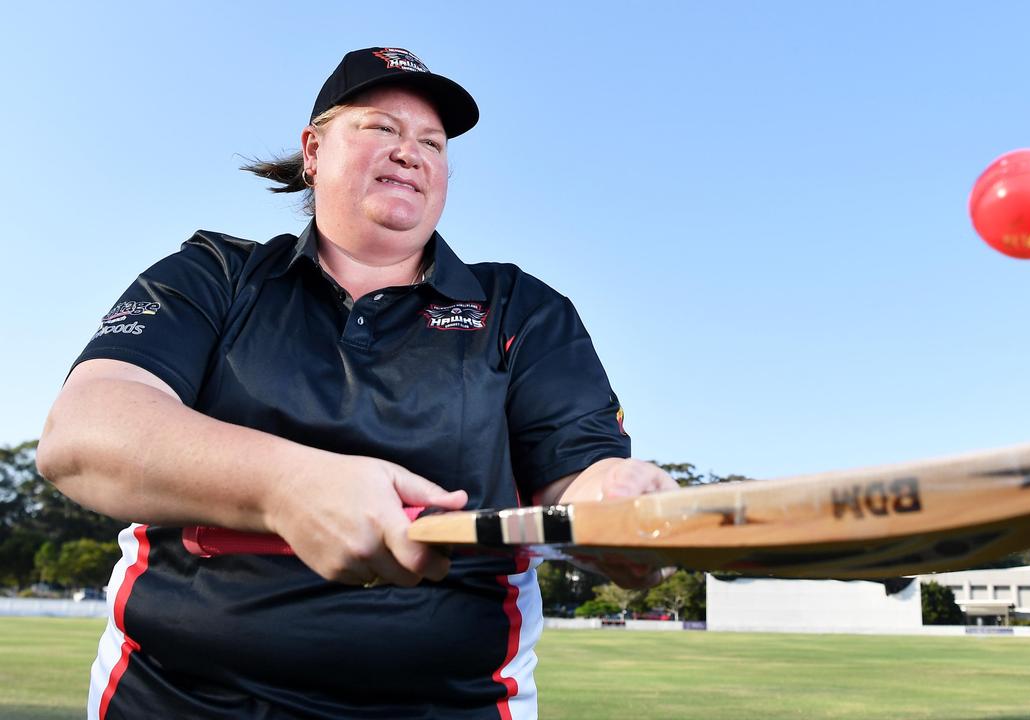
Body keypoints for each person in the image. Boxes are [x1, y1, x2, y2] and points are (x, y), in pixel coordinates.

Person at [37, 46, 676, 719]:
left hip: (449, 704)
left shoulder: (523, 309)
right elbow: (83, 433)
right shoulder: (213, 275)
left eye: (432, 142)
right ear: (312, 151)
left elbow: (577, 474)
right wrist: (287, 484)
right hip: (178, 697)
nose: (411, 152)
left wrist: (617, 501)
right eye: (382, 129)